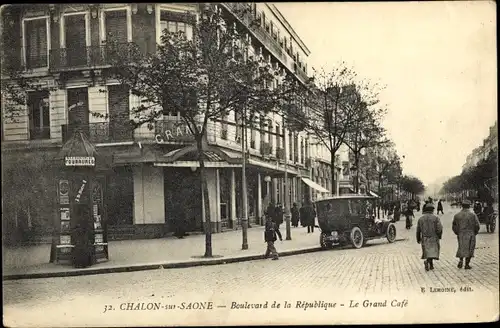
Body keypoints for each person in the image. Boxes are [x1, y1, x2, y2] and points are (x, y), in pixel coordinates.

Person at [452, 200, 480, 270]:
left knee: (461, 247)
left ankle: (461, 260)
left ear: (462, 206)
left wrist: (457, 232)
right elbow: (477, 225)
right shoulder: (473, 215)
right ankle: (467, 264)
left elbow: (454, 226)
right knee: (470, 249)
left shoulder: (457, 215)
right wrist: (475, 232)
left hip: (461, 233)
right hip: (470, 233)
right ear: (469, 206)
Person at [416, 203, 443, 271]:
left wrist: (418, 238)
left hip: (425, 237)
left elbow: (418, 230)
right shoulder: (436, 218)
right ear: (432, 210)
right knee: (433, 251)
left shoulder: (421, 219)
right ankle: (428, 262)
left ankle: (430, 264)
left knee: (427, 251)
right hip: (434, 237)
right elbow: (439, 228)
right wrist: (439, 236)